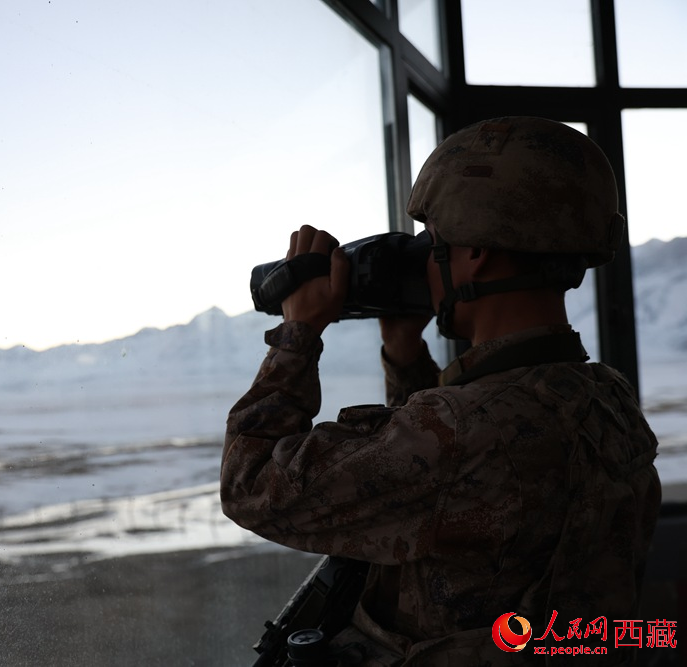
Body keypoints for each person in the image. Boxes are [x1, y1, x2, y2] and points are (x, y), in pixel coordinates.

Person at [221, 117, 661, 665]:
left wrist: (297, 335)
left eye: (434, 246)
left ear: (475, 250)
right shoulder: (606, 400)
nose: (427, 263)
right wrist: (406, 355)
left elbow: (252, 485)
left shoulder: (461, 431)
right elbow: (454, 482)